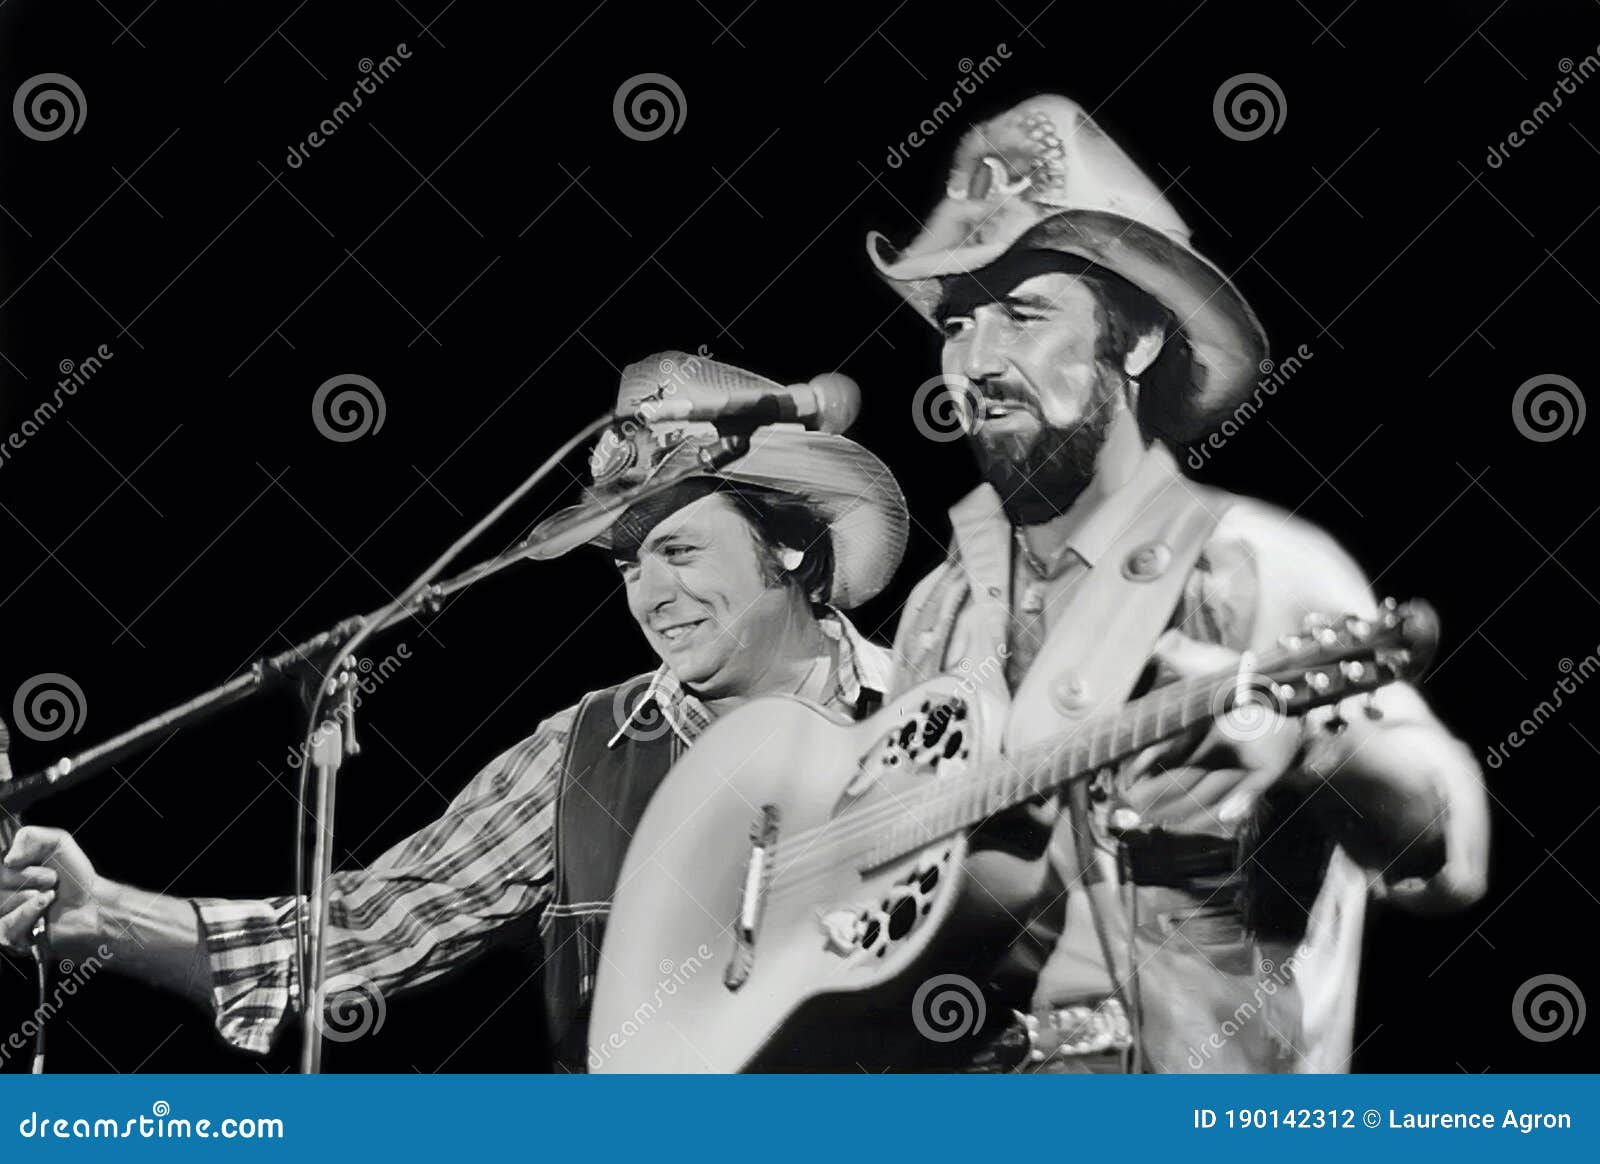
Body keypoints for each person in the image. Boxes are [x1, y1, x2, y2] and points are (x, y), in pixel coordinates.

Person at [0, 352, 908, 1073]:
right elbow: (370, 926)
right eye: (629, 567)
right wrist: (109, 917)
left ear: (787, 541)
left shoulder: (928, 701)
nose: (651, 596)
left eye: (676, 548)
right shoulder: (581, 754)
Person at [868, 95, 1489, 1072]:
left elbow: (1447, 844)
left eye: (1023, 314)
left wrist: (1308, 745)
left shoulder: (1251, 562)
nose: (975, 362)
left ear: (1142, 339)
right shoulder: (937, 608)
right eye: (956, 323)